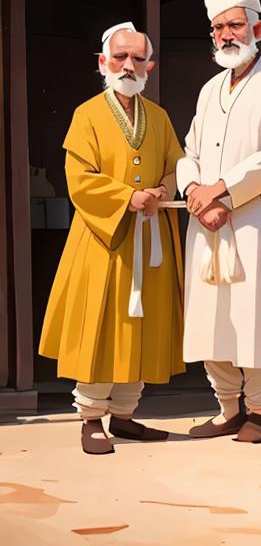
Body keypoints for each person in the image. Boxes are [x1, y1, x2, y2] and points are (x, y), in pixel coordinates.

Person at [39, 23, 184, 454]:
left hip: (148, 239)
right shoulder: (87, 114)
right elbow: (79, 179)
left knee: (140, 327)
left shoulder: (157, 117)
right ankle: (90, 418)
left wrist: (161, 190)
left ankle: (124, 415)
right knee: (100, 327)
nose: (128, 65)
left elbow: (176, 165)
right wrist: (128, 196)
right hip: (103, 240)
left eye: (138, 58)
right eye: (120, 57)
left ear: (150, 67)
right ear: (103, 62)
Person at [177, 0, 261, 444]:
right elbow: (188, 148)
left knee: (260, 316)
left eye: (235, 25)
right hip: (207, 222)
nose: (227, 35)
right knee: (215, 315)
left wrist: (221, 193)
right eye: (218, 28)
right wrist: (193, 188)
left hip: (257, 223)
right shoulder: (210, 89)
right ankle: (227, 407)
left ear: (258, 28)